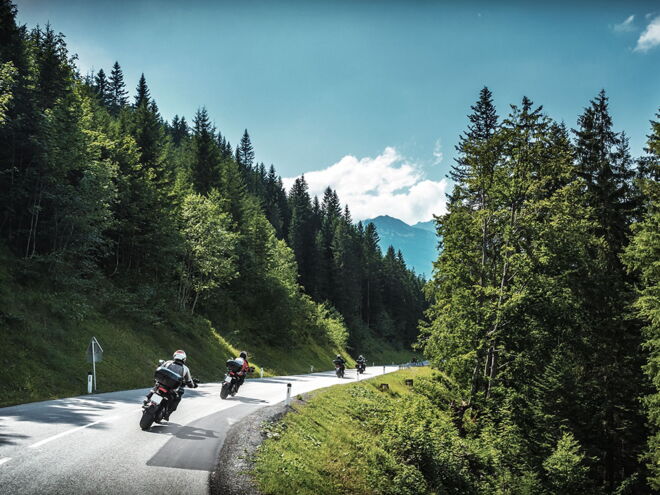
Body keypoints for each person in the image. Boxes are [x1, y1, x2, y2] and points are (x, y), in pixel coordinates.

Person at [157, 350, 197, 421]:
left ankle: (148, 400)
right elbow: (189, 381)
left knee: (156, 388)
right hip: (171, 388)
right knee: (177, 397)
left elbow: (160, 368)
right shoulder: (185, 368)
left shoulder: (168, 362)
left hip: (162, 383)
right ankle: (167, 414)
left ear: (174, 356)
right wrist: (193, 385)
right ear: (184, 359)